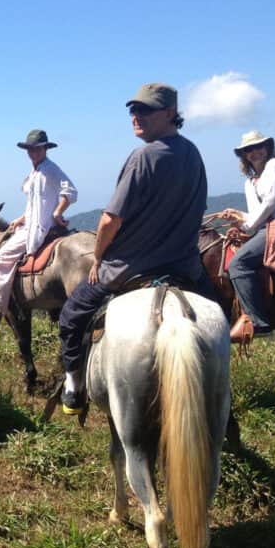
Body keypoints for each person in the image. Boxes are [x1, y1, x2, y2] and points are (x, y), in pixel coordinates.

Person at [58, 83, 210, 414]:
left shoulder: (143, 157)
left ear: (170, 113)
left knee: (71, 316)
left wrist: (98, 256)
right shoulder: (193, 153)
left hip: (130, 270)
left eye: (144, 110)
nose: (135, 117)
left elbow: (110, 220)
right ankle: (222, 410)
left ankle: (74, 388)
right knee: (217, 321)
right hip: (185, 268)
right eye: (132, 110)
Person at [0, 129, 77, 325]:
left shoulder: (50, 169)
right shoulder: (36, 171)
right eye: (30, 149)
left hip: (39, 228)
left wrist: (58, 212)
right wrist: (21, 218)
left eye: (37, 149)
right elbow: (36, 204)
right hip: (31, 223)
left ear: (45, 149)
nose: (33, 152)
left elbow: (70, 191)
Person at [218, 131, 275, 342]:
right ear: (244, 155)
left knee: (238, 265)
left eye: (258, 146)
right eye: (248, 150)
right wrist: (238, 217)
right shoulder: (250, 182)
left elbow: (271, 203)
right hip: (264, 230)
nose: (254, 152)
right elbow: (255, 216)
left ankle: (258, 321)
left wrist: (248, 223)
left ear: (267, 147)